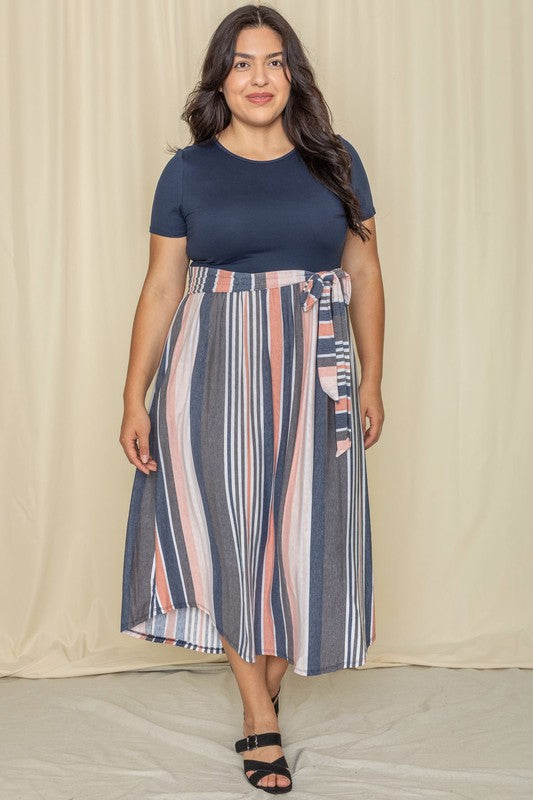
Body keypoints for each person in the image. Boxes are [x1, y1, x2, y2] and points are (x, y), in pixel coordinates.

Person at [119, 3, 385, 794]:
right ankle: (257, 716)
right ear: (221, 78)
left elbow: (365, 273)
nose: (258, 78)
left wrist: (372, 378)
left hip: (317, 366)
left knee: (304, 534)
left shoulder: (336, 159)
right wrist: (133, 395)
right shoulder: (188, 171)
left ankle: (264, 676)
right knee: (235, 535)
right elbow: (163, 285)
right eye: (241, 63)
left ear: (292, 73)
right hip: (212, 370)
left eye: (272, 62)